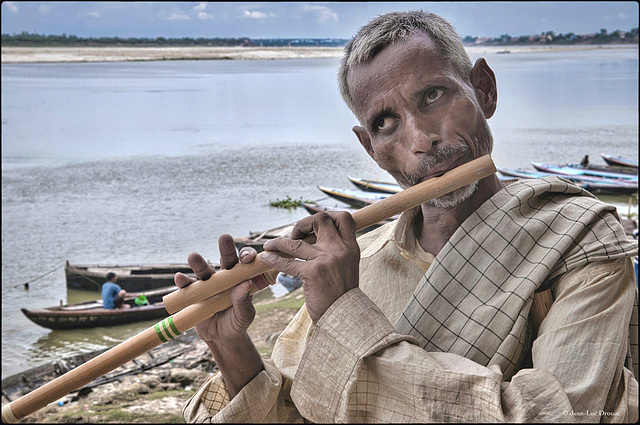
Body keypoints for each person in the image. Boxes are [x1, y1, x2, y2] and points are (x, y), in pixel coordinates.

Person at [177, 11, 638, 423]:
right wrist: (229, 345)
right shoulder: (363, 258)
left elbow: (559, 416)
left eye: (433, 95)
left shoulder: (580, 239)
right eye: (385, 122)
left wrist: (343, 313)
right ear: (370, 148)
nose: (421, 139)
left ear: (484, 90)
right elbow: (299, 410)